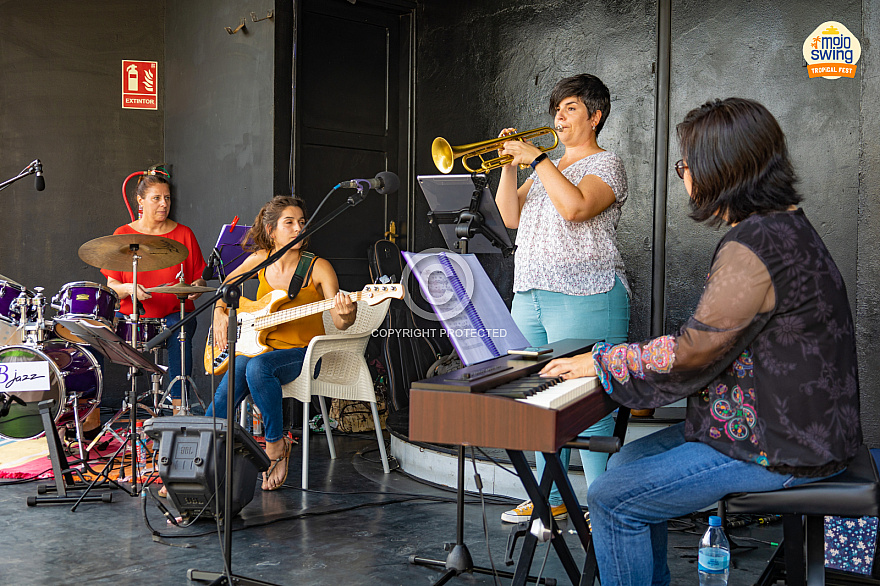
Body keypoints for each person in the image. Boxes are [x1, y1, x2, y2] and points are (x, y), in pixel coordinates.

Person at [540, 97, 861, 586]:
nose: (683, 175)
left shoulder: (754, 245)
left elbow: (694, 350)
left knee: (611, 498)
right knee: (628, 461)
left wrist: (600, 362)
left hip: (781, 444)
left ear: (720, 169)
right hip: (795, 426)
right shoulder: (785, 225)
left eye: (685, 164)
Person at [494, 73, 630, 523]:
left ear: (596, 115)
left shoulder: (605, 164)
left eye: (570, 108)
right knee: (537, 398)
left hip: (585, 291)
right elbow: (510, 216)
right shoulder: (546, 167)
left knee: (587, 399)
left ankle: (602, 503)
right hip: (530, 292)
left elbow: (576, 208)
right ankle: (547, 495)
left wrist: (537, 160)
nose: (559, 115)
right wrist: (510, 165)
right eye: (557, 108)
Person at [205, 195, 356, 491]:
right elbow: (225, 290)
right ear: (271, 231)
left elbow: (340, 322)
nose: (298, 228)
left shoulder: (319, 267)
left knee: (257, 368)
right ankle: (200, 459)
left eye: (302, 222)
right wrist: (220, 313)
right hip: (260, 348)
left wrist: (346, 315)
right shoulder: (261, 259)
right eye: (289, 223)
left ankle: (276, 444)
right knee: (228, 389)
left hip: (303, 355)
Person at [102, 173, 207, 415]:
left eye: (167, 198)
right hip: (133, 319)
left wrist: (196, 289)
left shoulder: (184, 234)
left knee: (179, 330)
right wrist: (129, 289)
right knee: (94, 337)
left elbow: (198, 278)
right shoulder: (123, 234)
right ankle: (89, 416)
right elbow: (113, 285)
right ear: (140, 201)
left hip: (174, 315)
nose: (164, 204)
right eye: (156, 198)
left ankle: (180, 410)